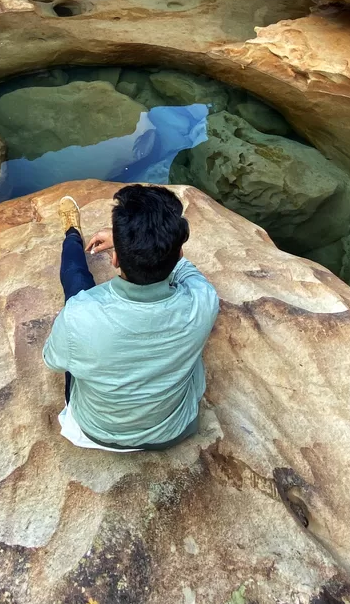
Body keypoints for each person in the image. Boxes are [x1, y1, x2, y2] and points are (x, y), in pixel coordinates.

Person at [43, 185, 219, 452]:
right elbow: (182, 267)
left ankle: (72, 236)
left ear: (114, 259)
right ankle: (72, 235)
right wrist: (143, 244)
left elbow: (52, 361)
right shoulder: (204, 299)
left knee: (76, 283)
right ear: (178, 252)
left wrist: (126, 241)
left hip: (98, 429)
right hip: (173, 428)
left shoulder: (79, 314)